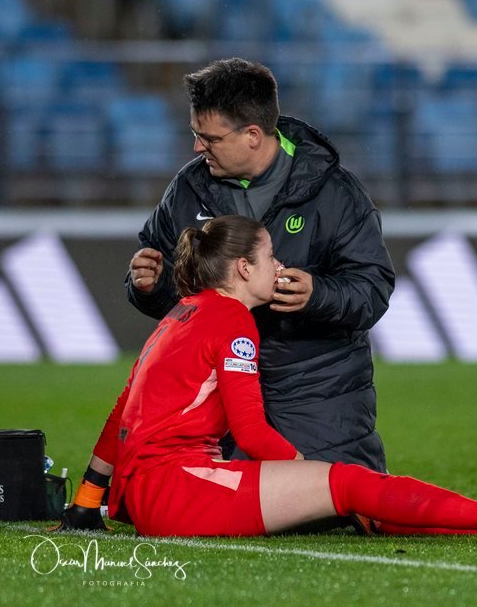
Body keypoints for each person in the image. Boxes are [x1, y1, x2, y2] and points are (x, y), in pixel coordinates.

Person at [62, 215, 477, 539]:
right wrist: (305, 470)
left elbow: (122, 412)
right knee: (346, 482)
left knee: (352, 496)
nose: (278, 266)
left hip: (154, 492)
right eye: (269, 256)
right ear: (243, 268)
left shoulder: (181, 314)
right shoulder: (232, 320)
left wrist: (88, 500)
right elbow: (250, 432)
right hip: (181, 493)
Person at [128, 57, 395, 473]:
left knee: (340, 500)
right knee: (203, 504)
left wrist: (317, 294)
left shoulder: (336, 193)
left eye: (209, 138)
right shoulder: (187, 189)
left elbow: (372, 290)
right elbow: (178, 298)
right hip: (219, 391)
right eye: (195, 134)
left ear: (252, 135)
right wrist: (150, 286)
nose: (198, 147)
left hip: (317, 392)